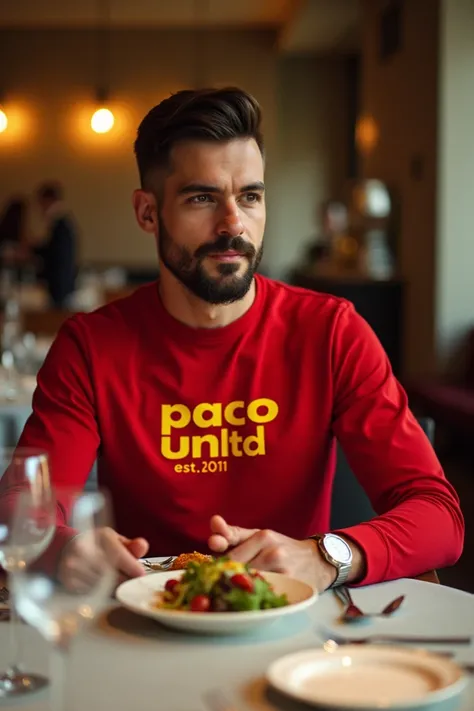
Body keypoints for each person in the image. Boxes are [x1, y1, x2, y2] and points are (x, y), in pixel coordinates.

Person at [0, 88, 464, 592]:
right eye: (202, 197)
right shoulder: (90, 347)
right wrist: (69, 549)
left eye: (250, 196)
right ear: (147, 213)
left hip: (297, 634)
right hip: (143, 624)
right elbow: (20, 512)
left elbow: (439, 516)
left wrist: (326, 555)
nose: (233, 224)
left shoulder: (332, 332)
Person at [34, 182, 77, 308]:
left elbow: (55, 254)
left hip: (59, 285)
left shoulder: (61, 224)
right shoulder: (62, 223)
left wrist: (33, 249)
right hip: (61, 283)